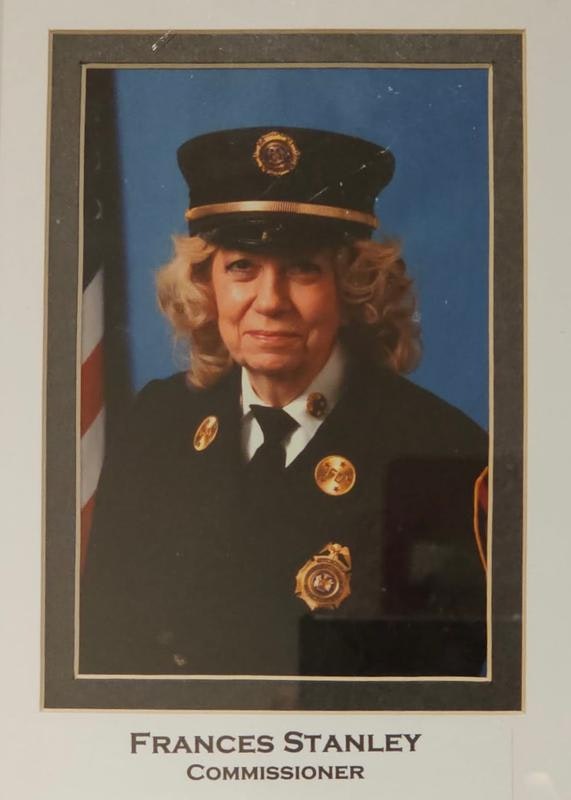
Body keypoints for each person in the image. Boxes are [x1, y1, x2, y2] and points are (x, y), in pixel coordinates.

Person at [80, 127, 488, 678]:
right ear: (207, 285)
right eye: (242, 267)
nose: (270, 302)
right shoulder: (155, 426)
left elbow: (445, 699)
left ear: (352, 289)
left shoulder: (443, 452)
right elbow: (106, 652)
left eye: (303, 270)